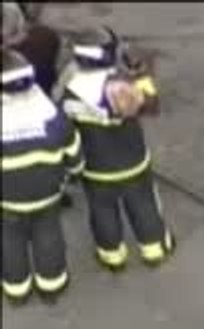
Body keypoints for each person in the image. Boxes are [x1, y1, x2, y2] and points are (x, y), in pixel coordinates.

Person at [58, 26, 173, 272]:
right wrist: (142, 74)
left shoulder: (69, 91)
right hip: (133, 163)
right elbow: (151, 105)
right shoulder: (121, 88)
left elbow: (63, 125)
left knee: (102, 211)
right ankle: (154, 249)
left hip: (95, 169)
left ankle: (112, 256)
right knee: (143, 204)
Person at [1, 49, 83, 304]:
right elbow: (73, 150)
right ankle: (52, 285)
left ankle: (17, 291)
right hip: (48, 194)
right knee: (49, 236)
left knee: (10, 241)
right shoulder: (50, 114)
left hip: (8, 200)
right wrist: (75, 172)